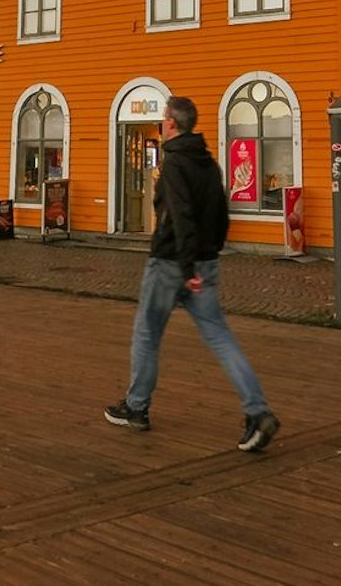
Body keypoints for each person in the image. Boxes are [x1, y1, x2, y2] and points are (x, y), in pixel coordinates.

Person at [103, 95, 280, 453]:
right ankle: (257, 412)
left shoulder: (174, 164)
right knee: (220, 337)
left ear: (170, 122)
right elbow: (222, 214)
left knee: (147, 335)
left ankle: (136, 408)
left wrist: (186, 269)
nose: (160, 122)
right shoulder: (209, 164)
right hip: (204, 263)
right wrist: (206, 258)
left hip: (171, 264)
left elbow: (180, 216)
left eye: (162, 118)